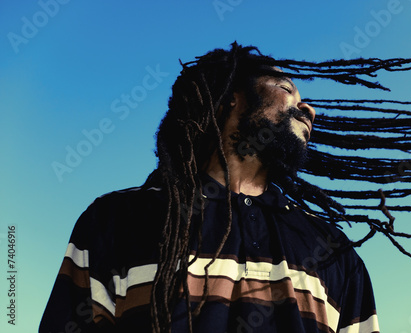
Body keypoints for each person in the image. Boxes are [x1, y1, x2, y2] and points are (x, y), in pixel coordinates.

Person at [40, 43, 380, 333]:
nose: (309, 109)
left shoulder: (333, 250)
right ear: (230, 99)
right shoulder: (117, 220)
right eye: (287, 91)